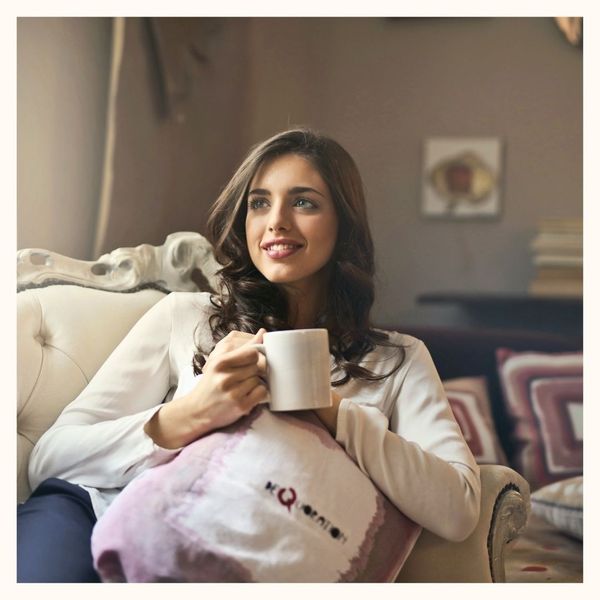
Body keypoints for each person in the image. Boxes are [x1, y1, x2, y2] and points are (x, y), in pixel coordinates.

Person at [17, 128, 481, 582]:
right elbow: (51, 457)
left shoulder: (397, 359)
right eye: (259, 202)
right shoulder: (186, 317)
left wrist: (332, 410)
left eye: (304, 202)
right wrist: (190, 413)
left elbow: (458, 508)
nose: (276, 220)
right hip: (93, 512)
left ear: (344, 224)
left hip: (234, 556)